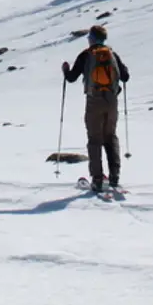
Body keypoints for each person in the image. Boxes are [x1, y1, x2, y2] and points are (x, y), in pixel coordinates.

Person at [62, 24, 130, 192]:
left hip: (94, 100)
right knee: (110, 137)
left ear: (92, 38)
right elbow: (125, 77)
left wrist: (65, 70)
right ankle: (114, 177)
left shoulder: (86, 55)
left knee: (94, 139)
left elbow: (71, 78)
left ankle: (97, 179)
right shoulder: (112, 54)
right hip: (112, 101)